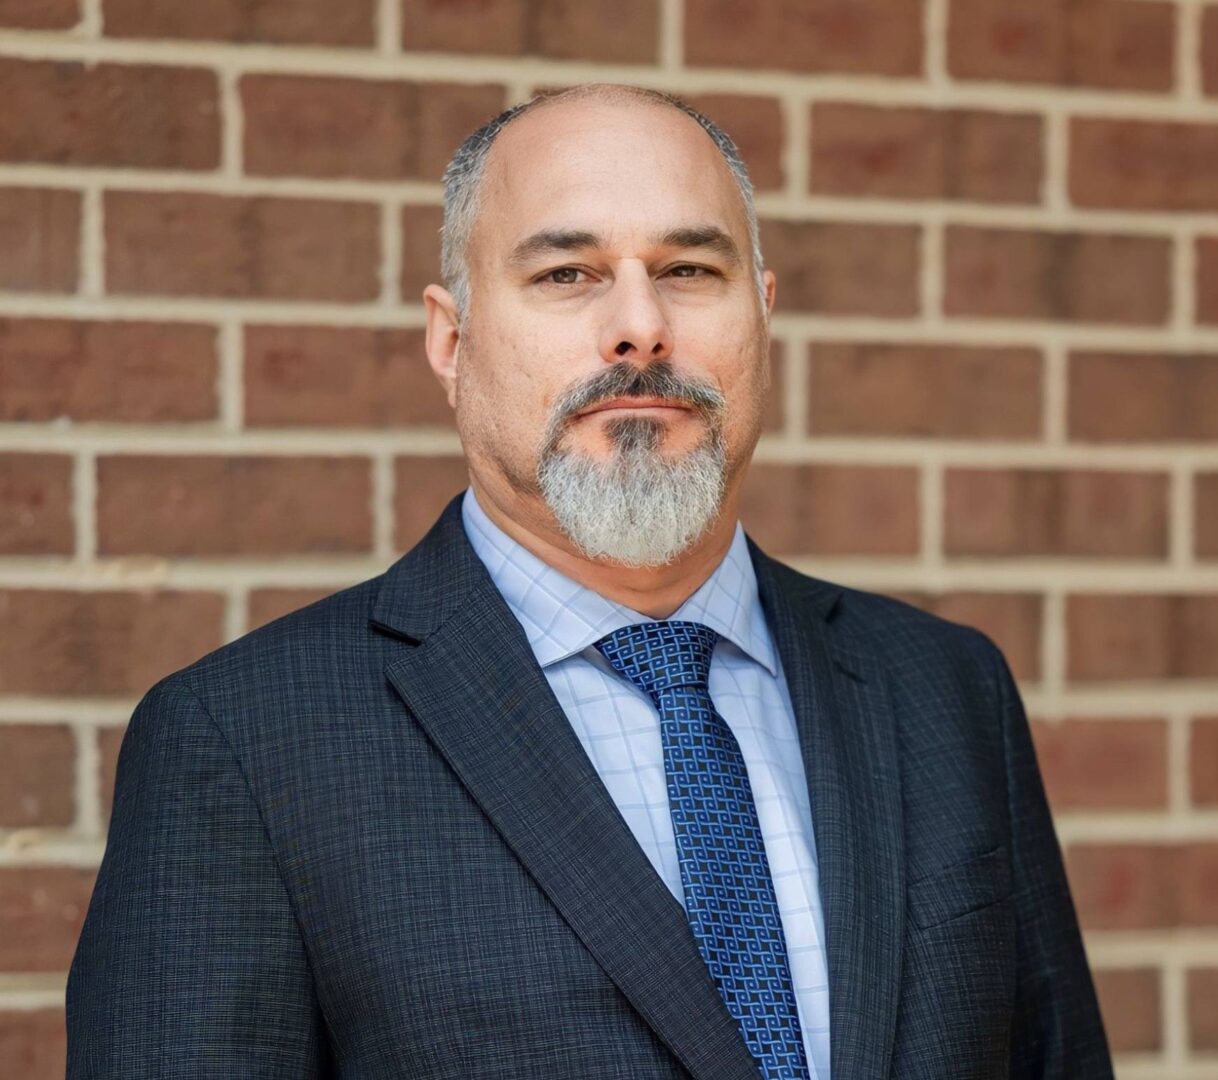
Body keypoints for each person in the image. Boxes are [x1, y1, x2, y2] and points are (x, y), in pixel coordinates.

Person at [66, 83, 1114, 1079]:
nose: (640, 326)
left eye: (691, 270)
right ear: (452, 339)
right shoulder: (247, 746)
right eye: (566, 274)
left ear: (763, 312)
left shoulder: (946, 691)